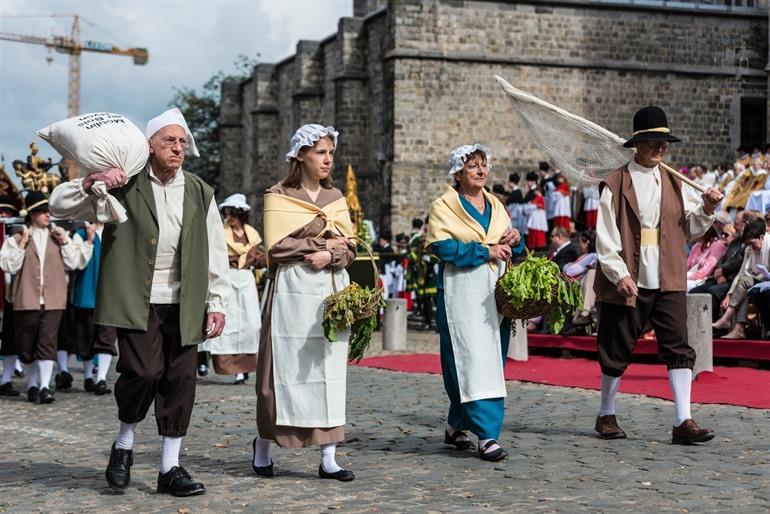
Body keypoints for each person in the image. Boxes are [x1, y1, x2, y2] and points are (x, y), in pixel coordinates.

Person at [49, 108, 230, 496]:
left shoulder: (200, 190)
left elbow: (216, 249)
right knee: (143, 372)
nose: (178, 148)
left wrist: (217, 301)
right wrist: (91, 183)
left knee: (181, 379)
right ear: (149, 145)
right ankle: (124, 441)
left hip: (186, 299)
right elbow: (58, 206)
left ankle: (170, 468)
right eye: (170, 140)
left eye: (183, 142)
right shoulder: (124, 184)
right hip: (137, 297)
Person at [593, 105, 722, 444]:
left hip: (668, 275)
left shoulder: (674, 181)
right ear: (637, 143)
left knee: (678, 345)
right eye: (653, 141)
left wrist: (707, 209)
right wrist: (618, 273)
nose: (660, 147)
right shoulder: (615, 182)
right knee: (616, 346)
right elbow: (605, 235)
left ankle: (683, 420)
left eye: (664, 142)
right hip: (629, 276)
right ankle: (606, 413)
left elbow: (690, 229)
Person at [252, 124, 357, 482]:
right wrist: (323, 244)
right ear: (300, 155)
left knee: (328, 368)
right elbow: (277, 247)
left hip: (329, 290)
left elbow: (351, 247)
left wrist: (333, 255)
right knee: (282, 370)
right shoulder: (278, 196)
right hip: (291, 291)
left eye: (331, 153)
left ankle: (329, 456)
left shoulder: (336, 198)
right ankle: (264, 445)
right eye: (320, 153)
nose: (328, 160)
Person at [426, 144, 525, 462]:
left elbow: (511, 244)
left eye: (484, 165)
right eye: (473, 166)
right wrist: (485, 251)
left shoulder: (496, 205)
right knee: (466, 359)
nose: (481, 171)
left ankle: (456, 424)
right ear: (458, 173)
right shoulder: (444, 206)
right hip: (460, 290)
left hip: (494, 292)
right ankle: (487, 435)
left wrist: (515, 240)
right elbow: (442, 247)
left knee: (490, 359)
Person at [0, 191, 80, 404]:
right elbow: (8, 265)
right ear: (32, 214)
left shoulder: (58, 237)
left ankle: (44, 387)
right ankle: (32, 384)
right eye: (43, 211)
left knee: (47, 344)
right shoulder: (17, 239)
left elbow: (74, 263)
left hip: (53, 300)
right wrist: (22, 244)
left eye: (48, 211)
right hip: (26, 300)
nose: (47, 215)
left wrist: (64, 242)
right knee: (26, 346)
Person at [199, 193, 265, 385]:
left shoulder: (252, 235)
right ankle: (211, 361)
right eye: (226, 213)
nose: (228, 216)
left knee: (250, 324)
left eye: (232, 213)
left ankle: (243, 369)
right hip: (226, 279)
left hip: (246, 281)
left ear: (240, 214)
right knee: (225, 323)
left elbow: (257, 258)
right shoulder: (220, 232)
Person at [711, 218, 769, 339]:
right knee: (743, 287)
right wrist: (729, 295)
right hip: (758, 281)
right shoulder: (749, 249)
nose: (751, 247)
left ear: (761, 237)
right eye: (748, 244)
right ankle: (738, 329)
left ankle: (729, 320)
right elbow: (741, 273)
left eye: (752, 243)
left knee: (744, 284)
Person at [690, 212, 748, 319]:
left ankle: (711, 323)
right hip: (721, 277)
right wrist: (720, 273)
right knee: (695, 291)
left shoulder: (747, 244)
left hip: (733, 279)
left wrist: (723, 271)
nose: (735, 226)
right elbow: (721, 260)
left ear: (745, 224)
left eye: (736, 223)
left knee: (713, 291)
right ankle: (694, 323)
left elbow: (739, 262)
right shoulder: (735, 242)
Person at [0, 195, 22, 397]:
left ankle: (6, 379)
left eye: (7, 212)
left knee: (10, 339)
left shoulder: (17, 237)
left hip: (9, 295)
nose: (3, 215)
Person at [563, 230, 598, 326]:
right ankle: (580, 316)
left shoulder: (592, 256)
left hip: (583, 283)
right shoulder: (585, 256)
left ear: (587, 242)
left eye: (581, 242)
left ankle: (584, 314)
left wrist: (569, 265)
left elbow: (570, 271)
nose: (579, 245)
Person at [686, 227, 727, 291]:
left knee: (680, 286)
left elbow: (706, 271)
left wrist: (688, 276)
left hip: (705, 280)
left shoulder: (718, 246)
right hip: (690, 277)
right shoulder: (696, 246)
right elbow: (687, 264)